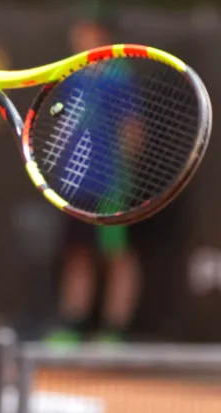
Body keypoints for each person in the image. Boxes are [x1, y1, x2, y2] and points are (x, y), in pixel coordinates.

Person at [43, 3, 143, 347]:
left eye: (85, 29)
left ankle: (115, 330)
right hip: (75, 182)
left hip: (111, 184)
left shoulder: (118, 77)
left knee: (116, 255)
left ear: (101, 34)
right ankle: (73, 325)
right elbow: (63, 119)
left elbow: (132, 132)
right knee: (77, 253)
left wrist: (120, 177)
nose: (77, 35)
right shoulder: (73, 76)